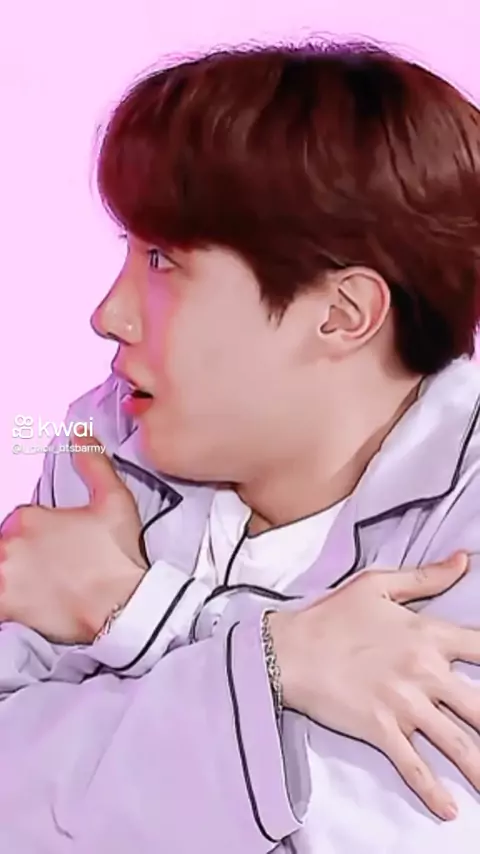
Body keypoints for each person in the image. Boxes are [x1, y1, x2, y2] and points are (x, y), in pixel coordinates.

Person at [0, 39, 480, 853]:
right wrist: (280, 667)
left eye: (163, 260)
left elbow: (392, 833)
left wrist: (135, 611)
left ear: (342, 314)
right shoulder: (105, 438)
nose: (109, 314)